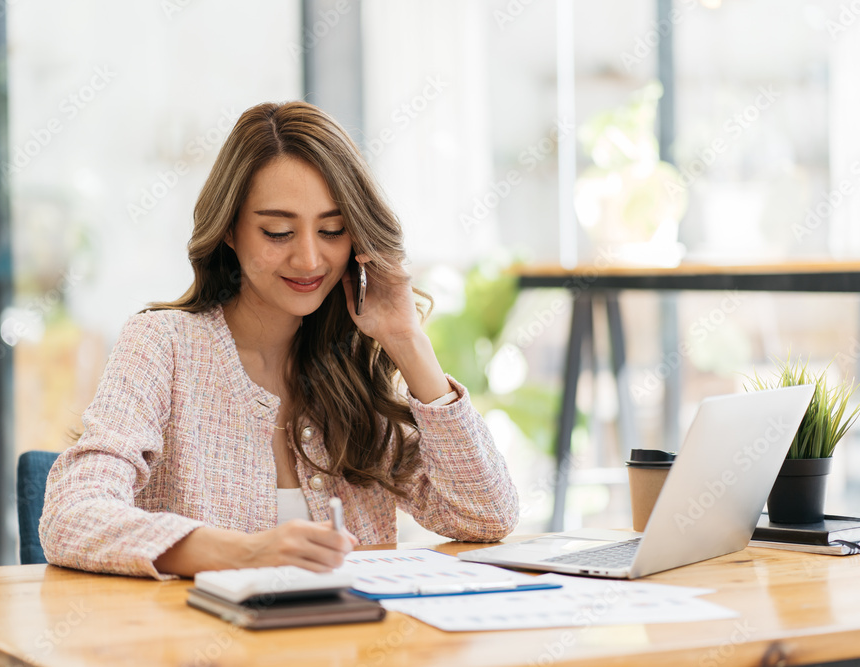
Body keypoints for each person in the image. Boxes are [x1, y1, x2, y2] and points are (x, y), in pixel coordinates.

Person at [40, 101, 519, 580]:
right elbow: (71, 515)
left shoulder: (350, 362)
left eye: (332, 230)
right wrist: (242, 552)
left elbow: (484, 515)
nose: (310, 258)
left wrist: (407, 340)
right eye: (278, 232)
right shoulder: (163, 345)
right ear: (229, 230)